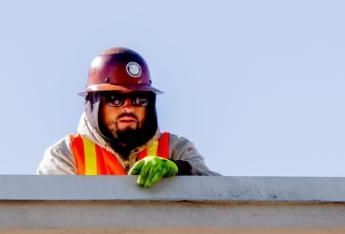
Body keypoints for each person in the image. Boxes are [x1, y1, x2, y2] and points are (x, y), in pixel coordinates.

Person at [38, 47, 218, 186]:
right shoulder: (66, 154)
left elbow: (220, 193)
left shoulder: (175, 148)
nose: (128, 107)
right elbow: (49, 216)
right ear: (93, 103)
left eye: (139, 99)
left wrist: (179, 168)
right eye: (115, 99)